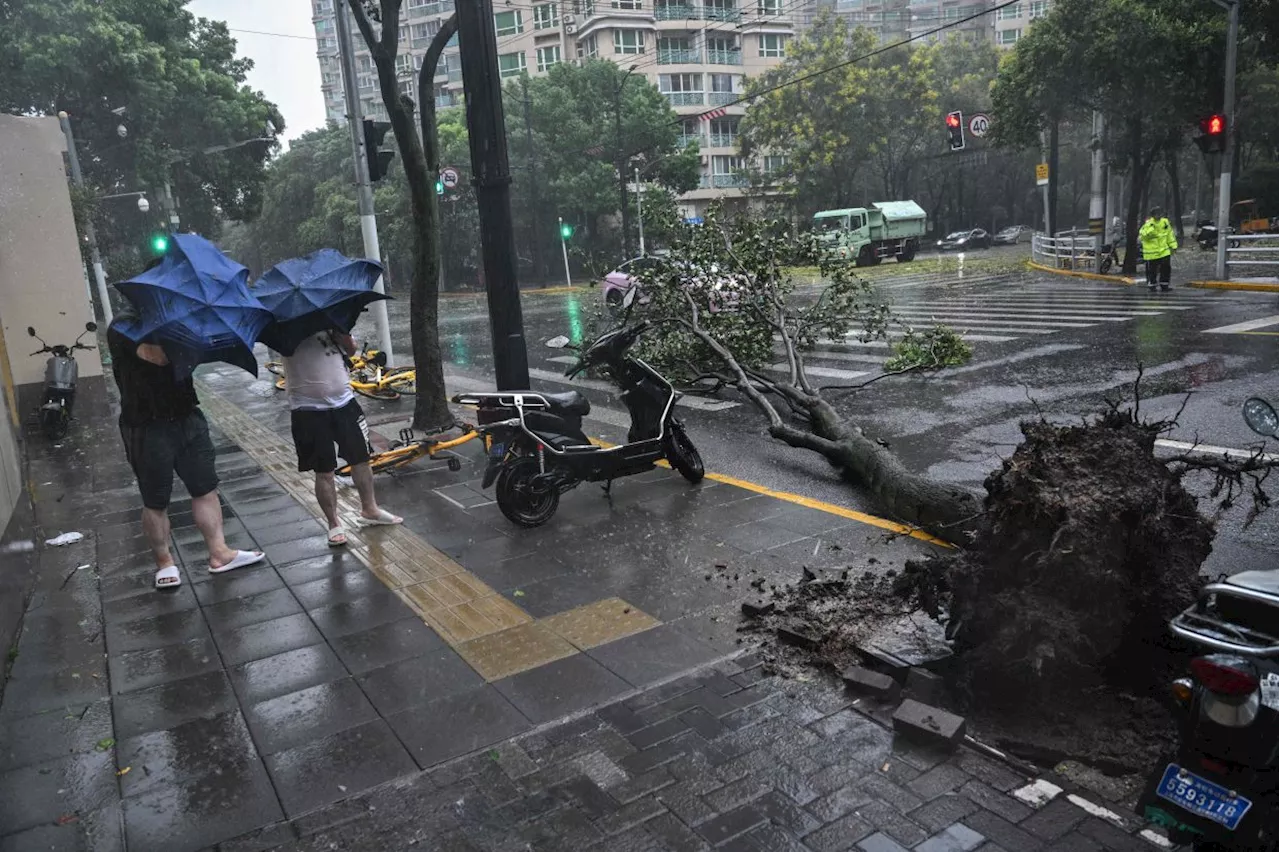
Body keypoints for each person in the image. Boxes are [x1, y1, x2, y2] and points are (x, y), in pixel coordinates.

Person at [108, 306, 264, 590]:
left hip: (187, 417)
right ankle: (165, 562)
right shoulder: (124, 325)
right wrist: (190, 338)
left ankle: (219, 553)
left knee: (205, 487)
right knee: (156, 499)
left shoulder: (180, 322)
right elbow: (157, 356)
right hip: (146, 426)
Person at [282, 329, 401, 546]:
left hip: (345, 403)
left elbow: (351, 349)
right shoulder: (285, 327)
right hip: (308, 410)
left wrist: (342, 336)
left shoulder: (332, 318)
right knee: (324, 469)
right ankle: (334, 523)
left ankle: (370, 509)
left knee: (361, 459)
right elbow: (286, 349)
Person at [1139, 205, 1177, 292]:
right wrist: (1151, 229)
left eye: (1160, 213)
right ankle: (1152, 285)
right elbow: (1143, 236)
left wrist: (1173, 246)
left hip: (1164, 251)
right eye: (1156, 214)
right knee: (1152, 270)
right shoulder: (1148, 224)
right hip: (1152, 253)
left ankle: (1164, 285)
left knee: (1166, 268)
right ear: (1152, 215)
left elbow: (1170, 235)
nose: (1158, 215)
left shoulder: (1165, 222)